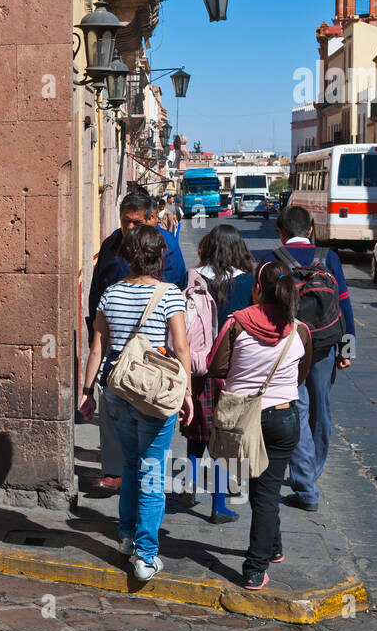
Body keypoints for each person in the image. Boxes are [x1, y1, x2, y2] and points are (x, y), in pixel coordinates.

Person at [79, 226, 192, 582]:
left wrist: (86, 392)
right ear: (160, 256)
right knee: (152, 471)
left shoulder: (111, 294)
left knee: (130, 464)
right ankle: (145, 554)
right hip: (155, 394)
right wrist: (185, 393)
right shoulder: (170, 294)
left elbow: (97, 347)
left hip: (116, 389)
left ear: (127, 257)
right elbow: (181, 349)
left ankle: (126, 537)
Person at [206, 259, 312, 590]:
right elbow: (301, 374)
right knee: (266, 487)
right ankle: (273, 545)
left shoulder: (235, 324)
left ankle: (255, 566)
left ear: (256, 289)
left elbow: (215, 367)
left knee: (261, 490)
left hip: (244, 418)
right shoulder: (301, 331)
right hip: (284, 417)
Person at [253, 204, 354, 513]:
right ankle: (314, 471)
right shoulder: (329, 258)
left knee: (296, 409)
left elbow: (262, 308)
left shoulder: (271, 260)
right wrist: (347, 348)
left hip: (289, 348)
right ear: (310, 229)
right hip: (324, 344)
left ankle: (305, 481)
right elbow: (344, 302)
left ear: (281, 233)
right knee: (321, 409)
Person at [86, 189, 189, 491]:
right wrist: (95, 324)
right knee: (113, 409)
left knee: (148, 414)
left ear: (150, 220)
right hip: (118, 345)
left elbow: (179, 284)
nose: (128, 229)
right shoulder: (110, 245)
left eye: (134, 222)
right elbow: (97, 289)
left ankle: (141, 484)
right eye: (124, 222)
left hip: (154, 348)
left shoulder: (167, 245)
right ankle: (117, 472)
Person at [182, 224, 256, 522]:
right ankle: (220, 505)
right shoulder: (249, 284)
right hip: (234, 370)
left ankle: (187, 486)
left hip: (200, 366)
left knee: (196, 430)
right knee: (226, 438)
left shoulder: (193, 278)